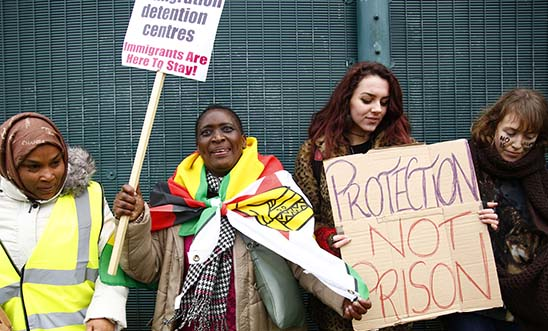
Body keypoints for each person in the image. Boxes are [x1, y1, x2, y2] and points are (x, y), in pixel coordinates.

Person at [112, 104, 372, 331]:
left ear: (244, 140)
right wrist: (135, 222)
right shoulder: (177, 201)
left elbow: (304, 260)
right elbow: (144, 271)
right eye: (207, 132)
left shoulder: (272, 194)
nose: (217, 138)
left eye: (227, 129)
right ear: (198, 147)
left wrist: (342, 296)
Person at [293, 61, 415, 331]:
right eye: (367, 100)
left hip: (398, 287)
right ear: (347, 100)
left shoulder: (405, 151)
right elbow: (301, 223)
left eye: (384, 102)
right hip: (341, 290)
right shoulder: (315, 153)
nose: (376, 110)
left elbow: (434, 210)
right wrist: (326, 237)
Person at [0, 112, 128, 331]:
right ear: (9, 165)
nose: (48, 175)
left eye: (56, 162)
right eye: (33, 167)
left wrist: (106, 312)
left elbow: (113, 261)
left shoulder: (90, 197)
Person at [442, 88, 548, 331]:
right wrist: (469, 217)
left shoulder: (539, 174)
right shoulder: (462, 163)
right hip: (473, 300)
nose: (518, 145)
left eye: (529, 137)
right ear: (493, 126)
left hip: (525, 303)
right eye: (510, 133)